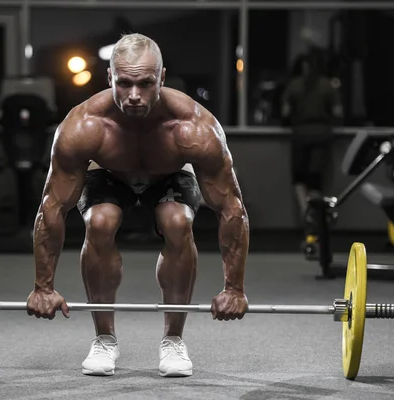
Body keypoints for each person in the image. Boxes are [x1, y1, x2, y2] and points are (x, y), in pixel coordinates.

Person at [26, 33, 250, 377]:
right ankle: (104, 339)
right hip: (110, 174)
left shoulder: (194, 127)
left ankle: (173, 341)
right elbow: (52, 207)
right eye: (124, 83)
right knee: (99, 221)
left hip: (170, 175)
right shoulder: (83, 126)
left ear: (161, 78)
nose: (134, 95)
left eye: (145, 84)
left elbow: (232, 208)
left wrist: (234, 288)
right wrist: (43, 287)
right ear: (109, 78)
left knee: (177, 221)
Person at [281, 48, 343, 246]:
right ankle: (315, 225)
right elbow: (338, 112)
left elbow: (285, 112)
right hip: (322, 135)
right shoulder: (328, 86)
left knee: (300, 180)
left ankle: (306, 218)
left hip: (300, 134)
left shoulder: (294, 86)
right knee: (316, 181)